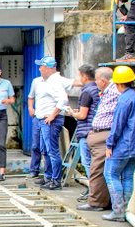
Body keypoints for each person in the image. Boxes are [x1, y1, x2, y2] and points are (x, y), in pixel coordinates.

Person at [102, 65, 135, 221]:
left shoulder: (124, 99)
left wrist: (109, 145)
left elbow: (117, 126)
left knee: (110, 174)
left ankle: (118, 211)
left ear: (119, 84)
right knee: (128, 176)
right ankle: (123, 209)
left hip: (124, 145)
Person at [29, 56, 75, 190]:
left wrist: (52, 115)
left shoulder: (55, 81)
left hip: (50, 120)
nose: (39, 69)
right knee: (45, 150)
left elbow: (63, 100)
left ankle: (55, 181)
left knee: (52, 151)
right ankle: (49, 177)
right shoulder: (41, 81)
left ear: (48, 68)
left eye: (41, 66)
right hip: (42, 119)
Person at [84, 67, 117, 211]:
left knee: (97, 169)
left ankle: (97, 202)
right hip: (99, 135)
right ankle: (101, 199)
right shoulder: (107, 92)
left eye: (96, 80)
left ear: (103, 81)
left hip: (104, 135)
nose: (95, 82)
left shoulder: (115, 92)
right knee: (97, 169)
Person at [72, 64, 99, 203]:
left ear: (84, 76)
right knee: (95, 164)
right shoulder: (97, 89)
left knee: (88, 163)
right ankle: (93, 191)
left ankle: (93, 193)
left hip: (86, 131)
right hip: (95, 131)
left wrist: (71, 113)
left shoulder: (87, 91)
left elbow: (83, 115)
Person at [26, 74, 44, 180]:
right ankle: (34, 170)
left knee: (47, 148)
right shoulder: (36, 81)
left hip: (49, 117)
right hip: (37, 116)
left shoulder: (56, 81)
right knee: (35, 145)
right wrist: (30, 107)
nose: (41, 69)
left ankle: (49, 175)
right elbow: (30, 96)